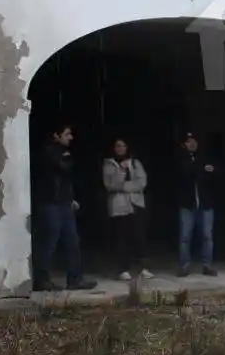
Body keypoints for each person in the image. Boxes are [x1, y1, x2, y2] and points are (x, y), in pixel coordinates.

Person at [34, 124, 97, 291]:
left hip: (64, 203)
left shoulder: (62, 152)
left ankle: (75, 279)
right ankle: (41, 280)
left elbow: (66, 178)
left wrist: (71, 198)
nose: (71, 137)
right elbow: (63, 167)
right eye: (67, 134)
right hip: (50, 203)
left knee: (73, 242)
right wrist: (66, 157)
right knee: (49, 243)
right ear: (56, 135)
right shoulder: (48, 151)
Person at [102, 138, 151, 282]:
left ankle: (143, 268)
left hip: (136, 204)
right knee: (121, 238)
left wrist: (124, 187)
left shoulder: (135, 162)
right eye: (118, 146)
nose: (121, 148)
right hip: (119, 206)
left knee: (139, 237)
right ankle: (123, 269)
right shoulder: (109, 164)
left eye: (123, 145)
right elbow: (110, 185)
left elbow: (142, 182)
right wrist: (122, 171)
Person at [177, 132, 219, 277]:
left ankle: (207, 266)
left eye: (194, 141)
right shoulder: (181, 158)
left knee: (207, 236)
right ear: (184, 145)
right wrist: (201, 169)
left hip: (205, 204)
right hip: (187, 204)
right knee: (185, 237)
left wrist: (202, 170)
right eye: (189, 141)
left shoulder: (205, 157)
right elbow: (186, 172)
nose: (192, 144)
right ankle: (184, 267)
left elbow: (214, 175)